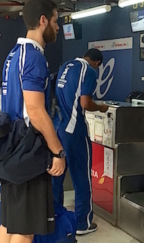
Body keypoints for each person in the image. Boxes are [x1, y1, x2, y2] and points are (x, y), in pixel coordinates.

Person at [0, 0, 65, 243]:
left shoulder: (13, 54)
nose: (58, 27)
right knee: (25, 230)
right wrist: (57, 151)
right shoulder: (34, 56)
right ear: (43, 20)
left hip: (10, 148)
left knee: (10, 222)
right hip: (27, 151)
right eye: (56, 21)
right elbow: (35, 111)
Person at [52, 48, 109, 235]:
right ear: (98, 63)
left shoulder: (66, 65)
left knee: (56, 176)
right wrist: (100, 108)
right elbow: (85, 103)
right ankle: (83, 223)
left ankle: (54, 216)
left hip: (58, 128)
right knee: (82, 177)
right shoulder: (90, 71)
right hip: (75, 131)